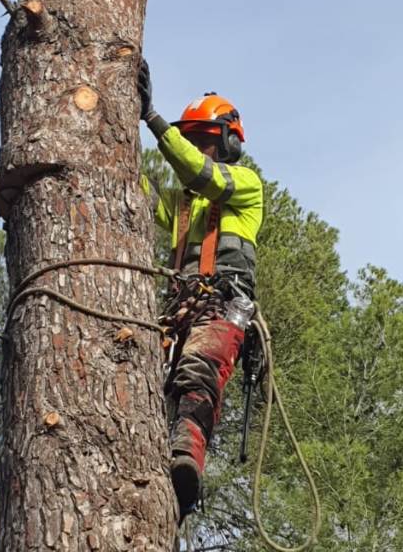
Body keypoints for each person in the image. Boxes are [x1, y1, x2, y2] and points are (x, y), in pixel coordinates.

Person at [137, 59, 264, 519]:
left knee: (197, 370)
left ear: (229, 142)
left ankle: (186, 459)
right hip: (179, 311)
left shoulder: (245, 186)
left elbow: (200, 175)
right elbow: (134, 194)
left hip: (222, 304)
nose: (197, 151)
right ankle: (167, 476)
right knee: (151, 384)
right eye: (191, 142)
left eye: (205, 141)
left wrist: (154, 121)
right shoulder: (181, 206)